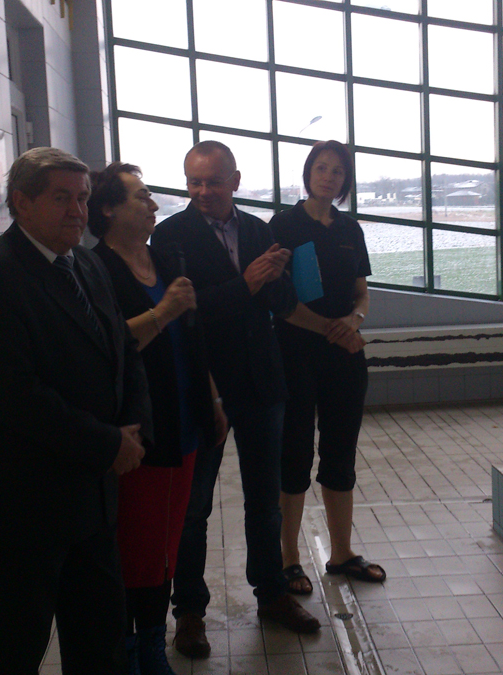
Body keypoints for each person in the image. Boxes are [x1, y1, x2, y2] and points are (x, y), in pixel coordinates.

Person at [0, 147, 151, 675]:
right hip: (25, 509)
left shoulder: (86, 263)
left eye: (82, 198)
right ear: (22, 202)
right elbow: (17, 397)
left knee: (101, 648)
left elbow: (124, 350)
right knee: (18, 652)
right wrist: (110, 443)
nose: (78, 211)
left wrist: (132, 428)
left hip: (93, 501)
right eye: (62, 198)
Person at [149, 140, 326, 657]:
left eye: (213, 181)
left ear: (236, 181)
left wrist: (278, 276)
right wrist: (248, 283)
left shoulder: (256, 230)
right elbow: (184, 313)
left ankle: (271, 593)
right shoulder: (171, 236)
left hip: (261, 382)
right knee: (194, 508)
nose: (203, 191)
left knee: (265, 501)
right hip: (203, 386)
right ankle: (189, 611)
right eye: (194, 182)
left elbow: (281, 302)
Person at [86, 162, 228, 674]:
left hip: (184, 422)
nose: (153, 205)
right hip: (138, 431)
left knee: (168, 543)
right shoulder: (96, 269)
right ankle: (128, 648)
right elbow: (105, 348)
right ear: (108, 209)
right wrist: (163, 311)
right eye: (141, 197)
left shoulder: (164, 260)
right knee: (135, 549)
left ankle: (151, 641)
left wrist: (212, 400)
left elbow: (194, 339)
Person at [270, 140, 383, 598]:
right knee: (294, 456)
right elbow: (279, 301)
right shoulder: (283, 225)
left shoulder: (350, 228)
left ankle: (342, 554)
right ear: (308, 172)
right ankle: (288, 559)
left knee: (340, 454)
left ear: (345, 180)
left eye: (337, 171)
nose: (328, 177)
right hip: (296, 353)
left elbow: (362, 292)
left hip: (345, 355)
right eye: (321, 168)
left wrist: (354, 320)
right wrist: (331, 329)